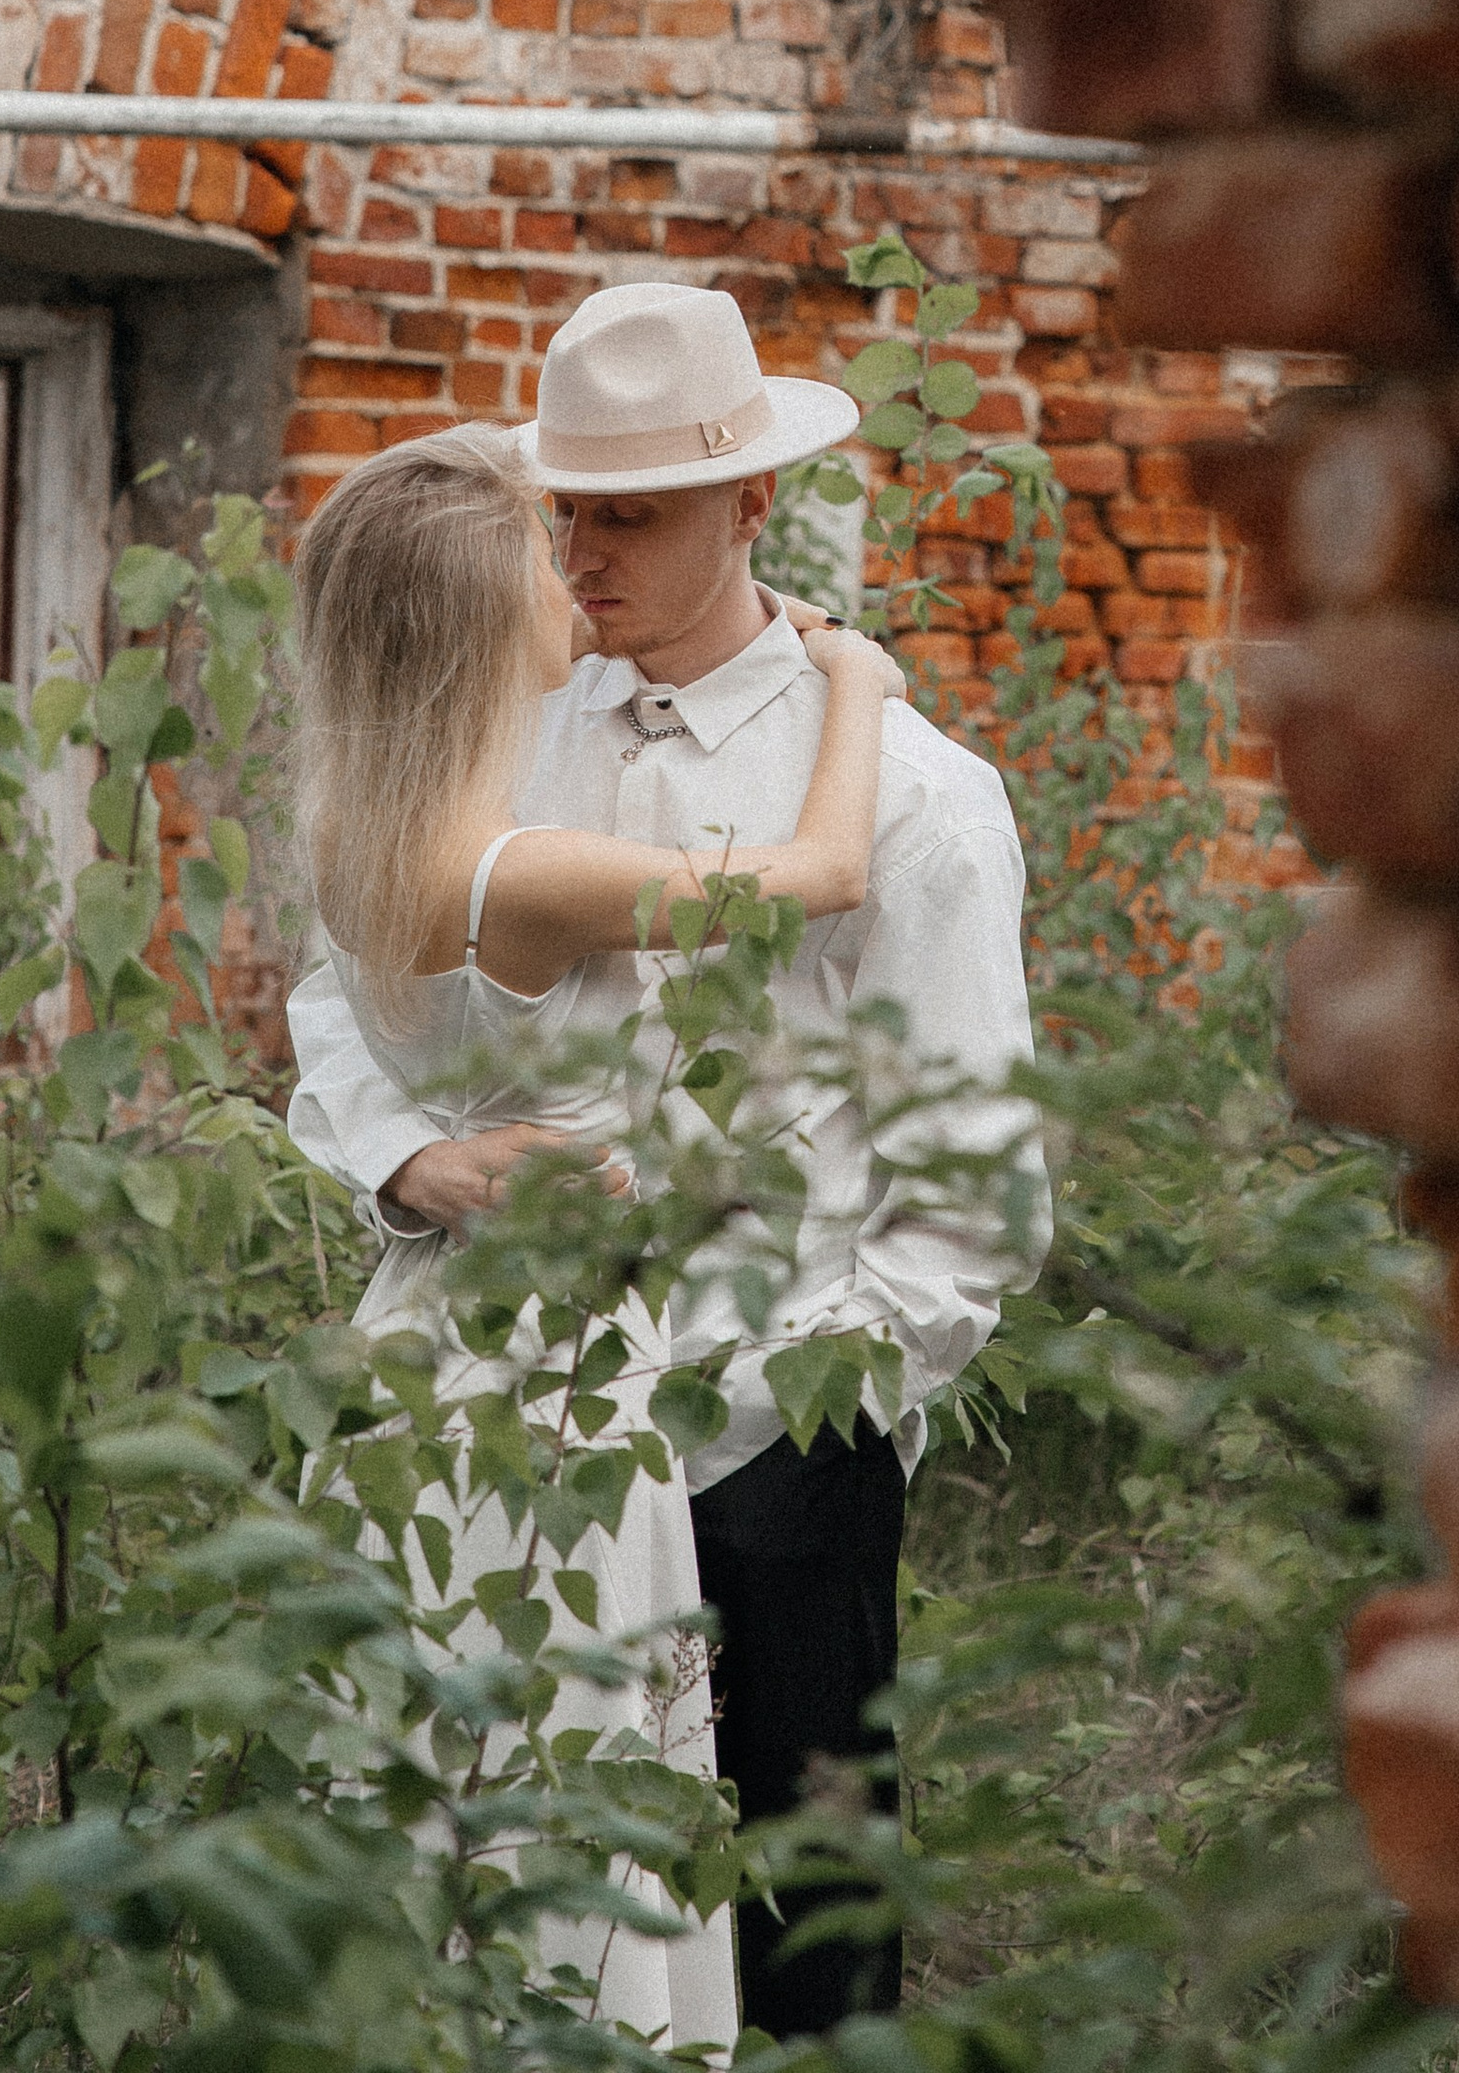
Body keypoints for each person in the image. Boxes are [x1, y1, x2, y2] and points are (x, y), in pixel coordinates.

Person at [288, 280, 1045, 2036]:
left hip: (772, 1452)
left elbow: (972, 1185)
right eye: (569, 511)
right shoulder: (507, 707)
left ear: (751, 503)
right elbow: (345, 997)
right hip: (502, 1443)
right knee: (503, 1916)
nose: (589, 553)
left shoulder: (915, 795)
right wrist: (415, 1165)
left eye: (631, 513)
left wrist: (765, 1425)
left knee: (794, 1948)